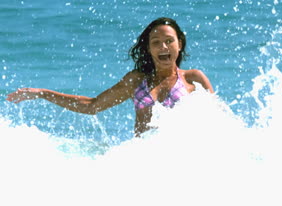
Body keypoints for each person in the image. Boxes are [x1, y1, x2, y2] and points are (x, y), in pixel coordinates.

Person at [6, 17, 214, 136]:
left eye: (169, 41)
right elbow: (91, 105)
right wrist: (43, 93)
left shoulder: (193, 78)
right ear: (149, 49)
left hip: (184, 159)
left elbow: (217, 120)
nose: (163, 47)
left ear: (180, 43)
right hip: (145, 159)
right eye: (156, 42)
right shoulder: (136, 81)